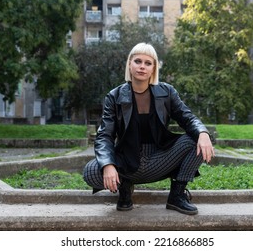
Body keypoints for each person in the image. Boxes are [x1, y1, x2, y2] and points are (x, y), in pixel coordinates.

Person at [83, 43, 214, 215]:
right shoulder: (114, 96)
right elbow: (104, 136)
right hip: (126, 161)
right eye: (138, 61)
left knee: (197, 139)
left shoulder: (167, 92)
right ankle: (125, 188)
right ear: (130, 64)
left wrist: (203, 133)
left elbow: (187, 117)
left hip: (160, 158)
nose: (142, 66)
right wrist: (108, 165)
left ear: (153, 68)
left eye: (148, 63)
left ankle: (177, 195)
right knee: (91, 172)